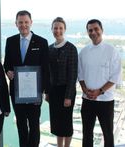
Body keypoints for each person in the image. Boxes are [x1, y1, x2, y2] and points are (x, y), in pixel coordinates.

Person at [3, 10, 49, 147]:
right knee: (21, 125)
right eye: (20, 22)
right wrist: (8, 71)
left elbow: (45, 68)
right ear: (16, 24)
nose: (23, 25)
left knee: (34, 125)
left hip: (35, 93)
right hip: (17, 93)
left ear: (31, 23)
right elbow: (7, 63)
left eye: (26, 22)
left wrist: (44, 91)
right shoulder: (10, 41)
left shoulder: (42, 42)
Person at [78, 19, 122, 147]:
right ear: (87, 32)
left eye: (96, 29)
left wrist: (100, 91)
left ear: (102, 30)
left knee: (107, 134)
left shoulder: (111, 50)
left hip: (106, 100)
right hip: (87, 100)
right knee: (86, 134)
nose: (93, 32)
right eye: (90, 30)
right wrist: (85, 90)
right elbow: (80, 75)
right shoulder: (84, 52)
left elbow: (115, 76)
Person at [45, 17, 78, 147]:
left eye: (60, 28)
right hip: (53, 91)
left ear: (64, 30)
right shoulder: (49, 49)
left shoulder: (71, 48)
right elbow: (47, 74)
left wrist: (68, 96)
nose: (57, 30)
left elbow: (73, 74)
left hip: (66, 91)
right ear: (51, 29)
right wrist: (47, 92)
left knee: (66, 122)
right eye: (55, 28)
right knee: (57, 122)